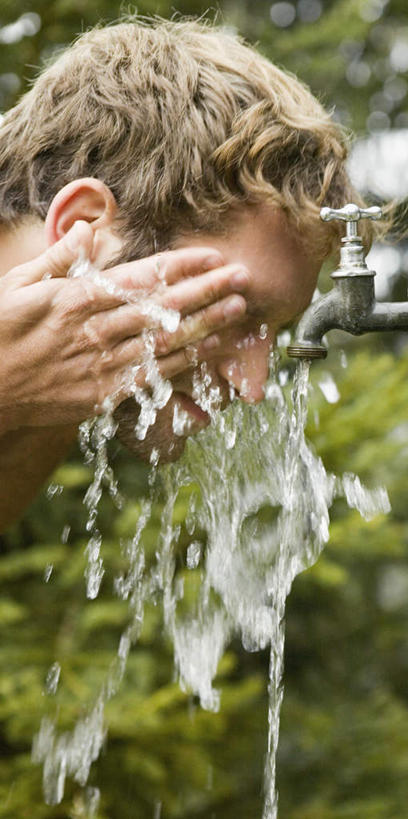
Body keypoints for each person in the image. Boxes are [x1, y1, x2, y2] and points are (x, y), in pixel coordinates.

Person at [0, 17, 377, 529]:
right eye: (230, 312)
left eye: (276, 331)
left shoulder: (60, 364)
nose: (253, 385)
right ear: (81, 232)